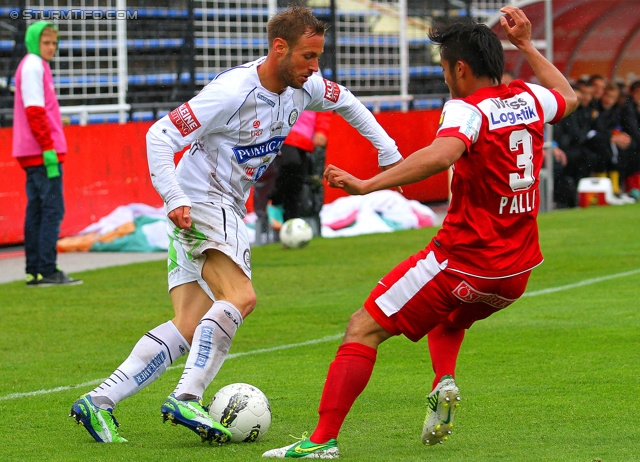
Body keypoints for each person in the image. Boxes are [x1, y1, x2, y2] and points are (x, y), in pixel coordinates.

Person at [69, 5, 402, 444]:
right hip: (203, 200)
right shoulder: (231, 91)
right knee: (241, 297)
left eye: (318, 57)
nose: (314, 67)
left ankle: (99, 401)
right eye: (307, 56)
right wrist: (174, 197)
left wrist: (389, 151)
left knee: (189, 323)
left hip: (219, 205)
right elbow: (159, 135)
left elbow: (347, 104)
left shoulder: (306, 86)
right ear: (279, 48)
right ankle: (187, 395)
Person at [263, 6, 577, 458]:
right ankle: (442, 381)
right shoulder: (529, 97)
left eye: (446, 69)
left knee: (362, 328)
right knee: (448, 318)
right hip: (516, 272)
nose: (445, 78)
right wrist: (526, 44)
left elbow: (441, 155)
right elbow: (569, 96)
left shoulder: (466, 110)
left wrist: (368, 184)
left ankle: (320, 442)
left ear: (461, 69)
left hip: (462, 260)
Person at [12, 21, 82, 287]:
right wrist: (48, 148)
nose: (51, 48)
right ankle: (47, 269)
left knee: (38, 210)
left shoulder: (33, 64)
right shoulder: (33, 66)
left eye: (54, 43)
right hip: (42, 153)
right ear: (34, 42)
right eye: (46, 43)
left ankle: (35, 271)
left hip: (35, 151)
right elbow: (34, 112)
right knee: (52, 209)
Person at [253, 107, 331, 243]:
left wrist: (322, 130)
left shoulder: (316, 85)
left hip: (306, 136)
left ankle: (290, 231)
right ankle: (274, 200)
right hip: (282, 131)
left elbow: (324, 104)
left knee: (297, 185)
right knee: (291, 164)